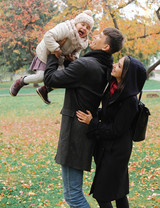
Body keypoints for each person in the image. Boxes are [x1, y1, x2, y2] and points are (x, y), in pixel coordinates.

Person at [43, 27, 124, 207]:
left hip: (75, 134)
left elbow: (50, 80)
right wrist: (73, 62)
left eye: (100, 36)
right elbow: (83, 80)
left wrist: (53, 55)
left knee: (73, 195)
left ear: (105, 47)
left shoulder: (87, 65)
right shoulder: (103, 66)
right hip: (84, 132)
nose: (94, 36)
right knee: (72, 193)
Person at [76, 56, 147, 208]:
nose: (114, 66)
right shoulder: (113, 87)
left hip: (117, 152)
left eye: (119, 66)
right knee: (119, 193)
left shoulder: (130, 101)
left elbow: (115, 130)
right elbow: (110, 113)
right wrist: (96, 114)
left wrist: (92, 122)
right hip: (106, 148)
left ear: (126, 74)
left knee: (103, 196)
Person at [9, 10, 94, 104]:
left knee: (66, 79)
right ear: (76, 23)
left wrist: (74, 58)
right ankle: (21, 81)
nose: (84, 28)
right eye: (82, 24)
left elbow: (77, 51)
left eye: (88, 28)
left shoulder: (82, 42)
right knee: (40, 77)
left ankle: (45, 89)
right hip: (46, 53)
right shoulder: (66, 28)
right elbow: (48, 36)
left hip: (58, 60)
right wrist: (56, 49)